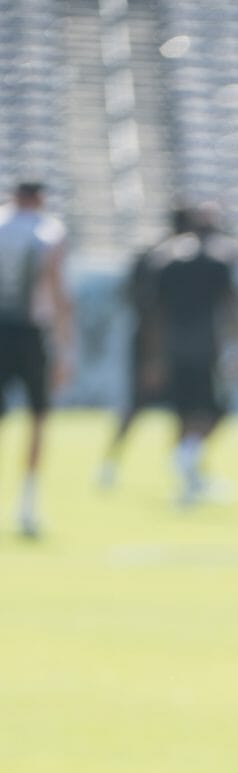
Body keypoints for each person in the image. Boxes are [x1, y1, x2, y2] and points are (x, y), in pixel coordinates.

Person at [148, 201, 238, 504]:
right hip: (206, 349)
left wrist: (155, 356)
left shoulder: (169, 261)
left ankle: (187, 475)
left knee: (183, 416)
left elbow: (157, 313)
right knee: (213, 411)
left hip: (176, 348)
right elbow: (232, 307)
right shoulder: (219, 263)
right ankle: (187, 463)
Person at [96, 204, 193, 488]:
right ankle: (179, 470)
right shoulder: (169, 260)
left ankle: (113, 464)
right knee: (168, 407)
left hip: (150, 341)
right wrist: (155, 356)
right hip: (160, 345)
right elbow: (153, 308)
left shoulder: (150, 255)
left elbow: (129, 296)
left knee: (145, 406)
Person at [0, 180, 72, 536]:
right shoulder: (49, 230)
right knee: (38, 418)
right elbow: (55, 285)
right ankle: (27, 505)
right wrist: (64, 348)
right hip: (30, 333)